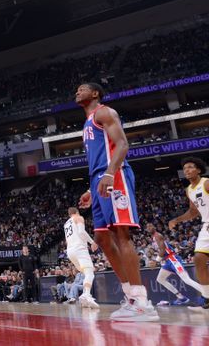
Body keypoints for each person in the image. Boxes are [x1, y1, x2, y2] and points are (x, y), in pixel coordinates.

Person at [75, 82, 158, 321]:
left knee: (122, 234)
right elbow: (102, 153)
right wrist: (91, 189)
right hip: (99, 178)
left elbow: (122, 144)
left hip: (116, 176)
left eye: (82, 88)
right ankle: (130, 296)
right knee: (101, 237)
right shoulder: (88, 121)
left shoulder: (104, 112)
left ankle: (142, 303)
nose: (77, 92)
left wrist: (110, 174)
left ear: (95, 93)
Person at [168, 156, 209, 310]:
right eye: (185, 168)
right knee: (198, 258)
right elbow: (193, 212)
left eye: (191, 167)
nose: (187, 170)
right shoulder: (189, 190)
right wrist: (177, 220)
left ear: (198, 170)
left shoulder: (206, 183)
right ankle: (207, 296)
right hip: (206, 225)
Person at [146, 223, 200, 306]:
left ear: (154, 227)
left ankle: (206, 293)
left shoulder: (158, 235)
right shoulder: (153, 238)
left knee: (186, 280)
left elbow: (163, 250)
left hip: (173, 259)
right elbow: (161, 251)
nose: (149, 228)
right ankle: (181, 297)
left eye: (151, 226)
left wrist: (156, 261)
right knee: (160, 279)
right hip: (167, 261)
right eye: (147, 227)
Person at [63, 207, 100, 308]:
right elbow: (81, 232)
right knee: (90, 273)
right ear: (77, 212)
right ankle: (86, 295)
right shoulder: (78, 217)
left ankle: (85, 298)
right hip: (79, 248)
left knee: (85, 273)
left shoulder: (66, 224)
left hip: (70, 251)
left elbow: (67, 240)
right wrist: (92, 242)